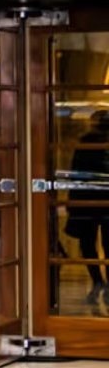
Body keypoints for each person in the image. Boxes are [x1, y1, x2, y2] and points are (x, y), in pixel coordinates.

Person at [66, 110, 109, 289]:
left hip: (87, 201)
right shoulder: (92, 143)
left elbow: (77, 174)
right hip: (102, 201)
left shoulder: (85, 142)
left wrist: (72, 201)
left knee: (88, 243)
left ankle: (97, 280)